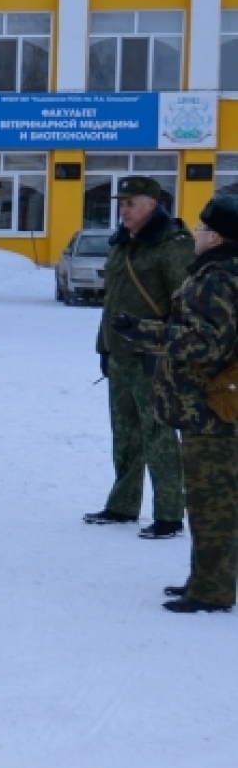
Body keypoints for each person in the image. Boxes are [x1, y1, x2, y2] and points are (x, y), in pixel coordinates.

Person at [115, 194, 238, 613]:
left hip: (211, 410)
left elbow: (206, 341)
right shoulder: (216, 271)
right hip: (210, 406)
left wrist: (149, 334)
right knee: (209, 500)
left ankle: (213, 590)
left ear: (217, 236)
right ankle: (204, 579)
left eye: (203, 230)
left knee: (212, 502)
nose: (196, 235)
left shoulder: (219, 277)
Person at [88, 176, 196, 538]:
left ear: (152, 204)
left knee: (159, 436)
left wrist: (171, 352)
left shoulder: (172, 246)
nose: (123, 209)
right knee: (126, 434)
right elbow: (112, 302)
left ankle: (168, 513)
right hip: (120, 355)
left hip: (154, 356)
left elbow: (184, 305)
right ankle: (123, 504)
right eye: (122, 203)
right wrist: (103, 346)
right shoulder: (122, 243)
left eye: (131, 203)